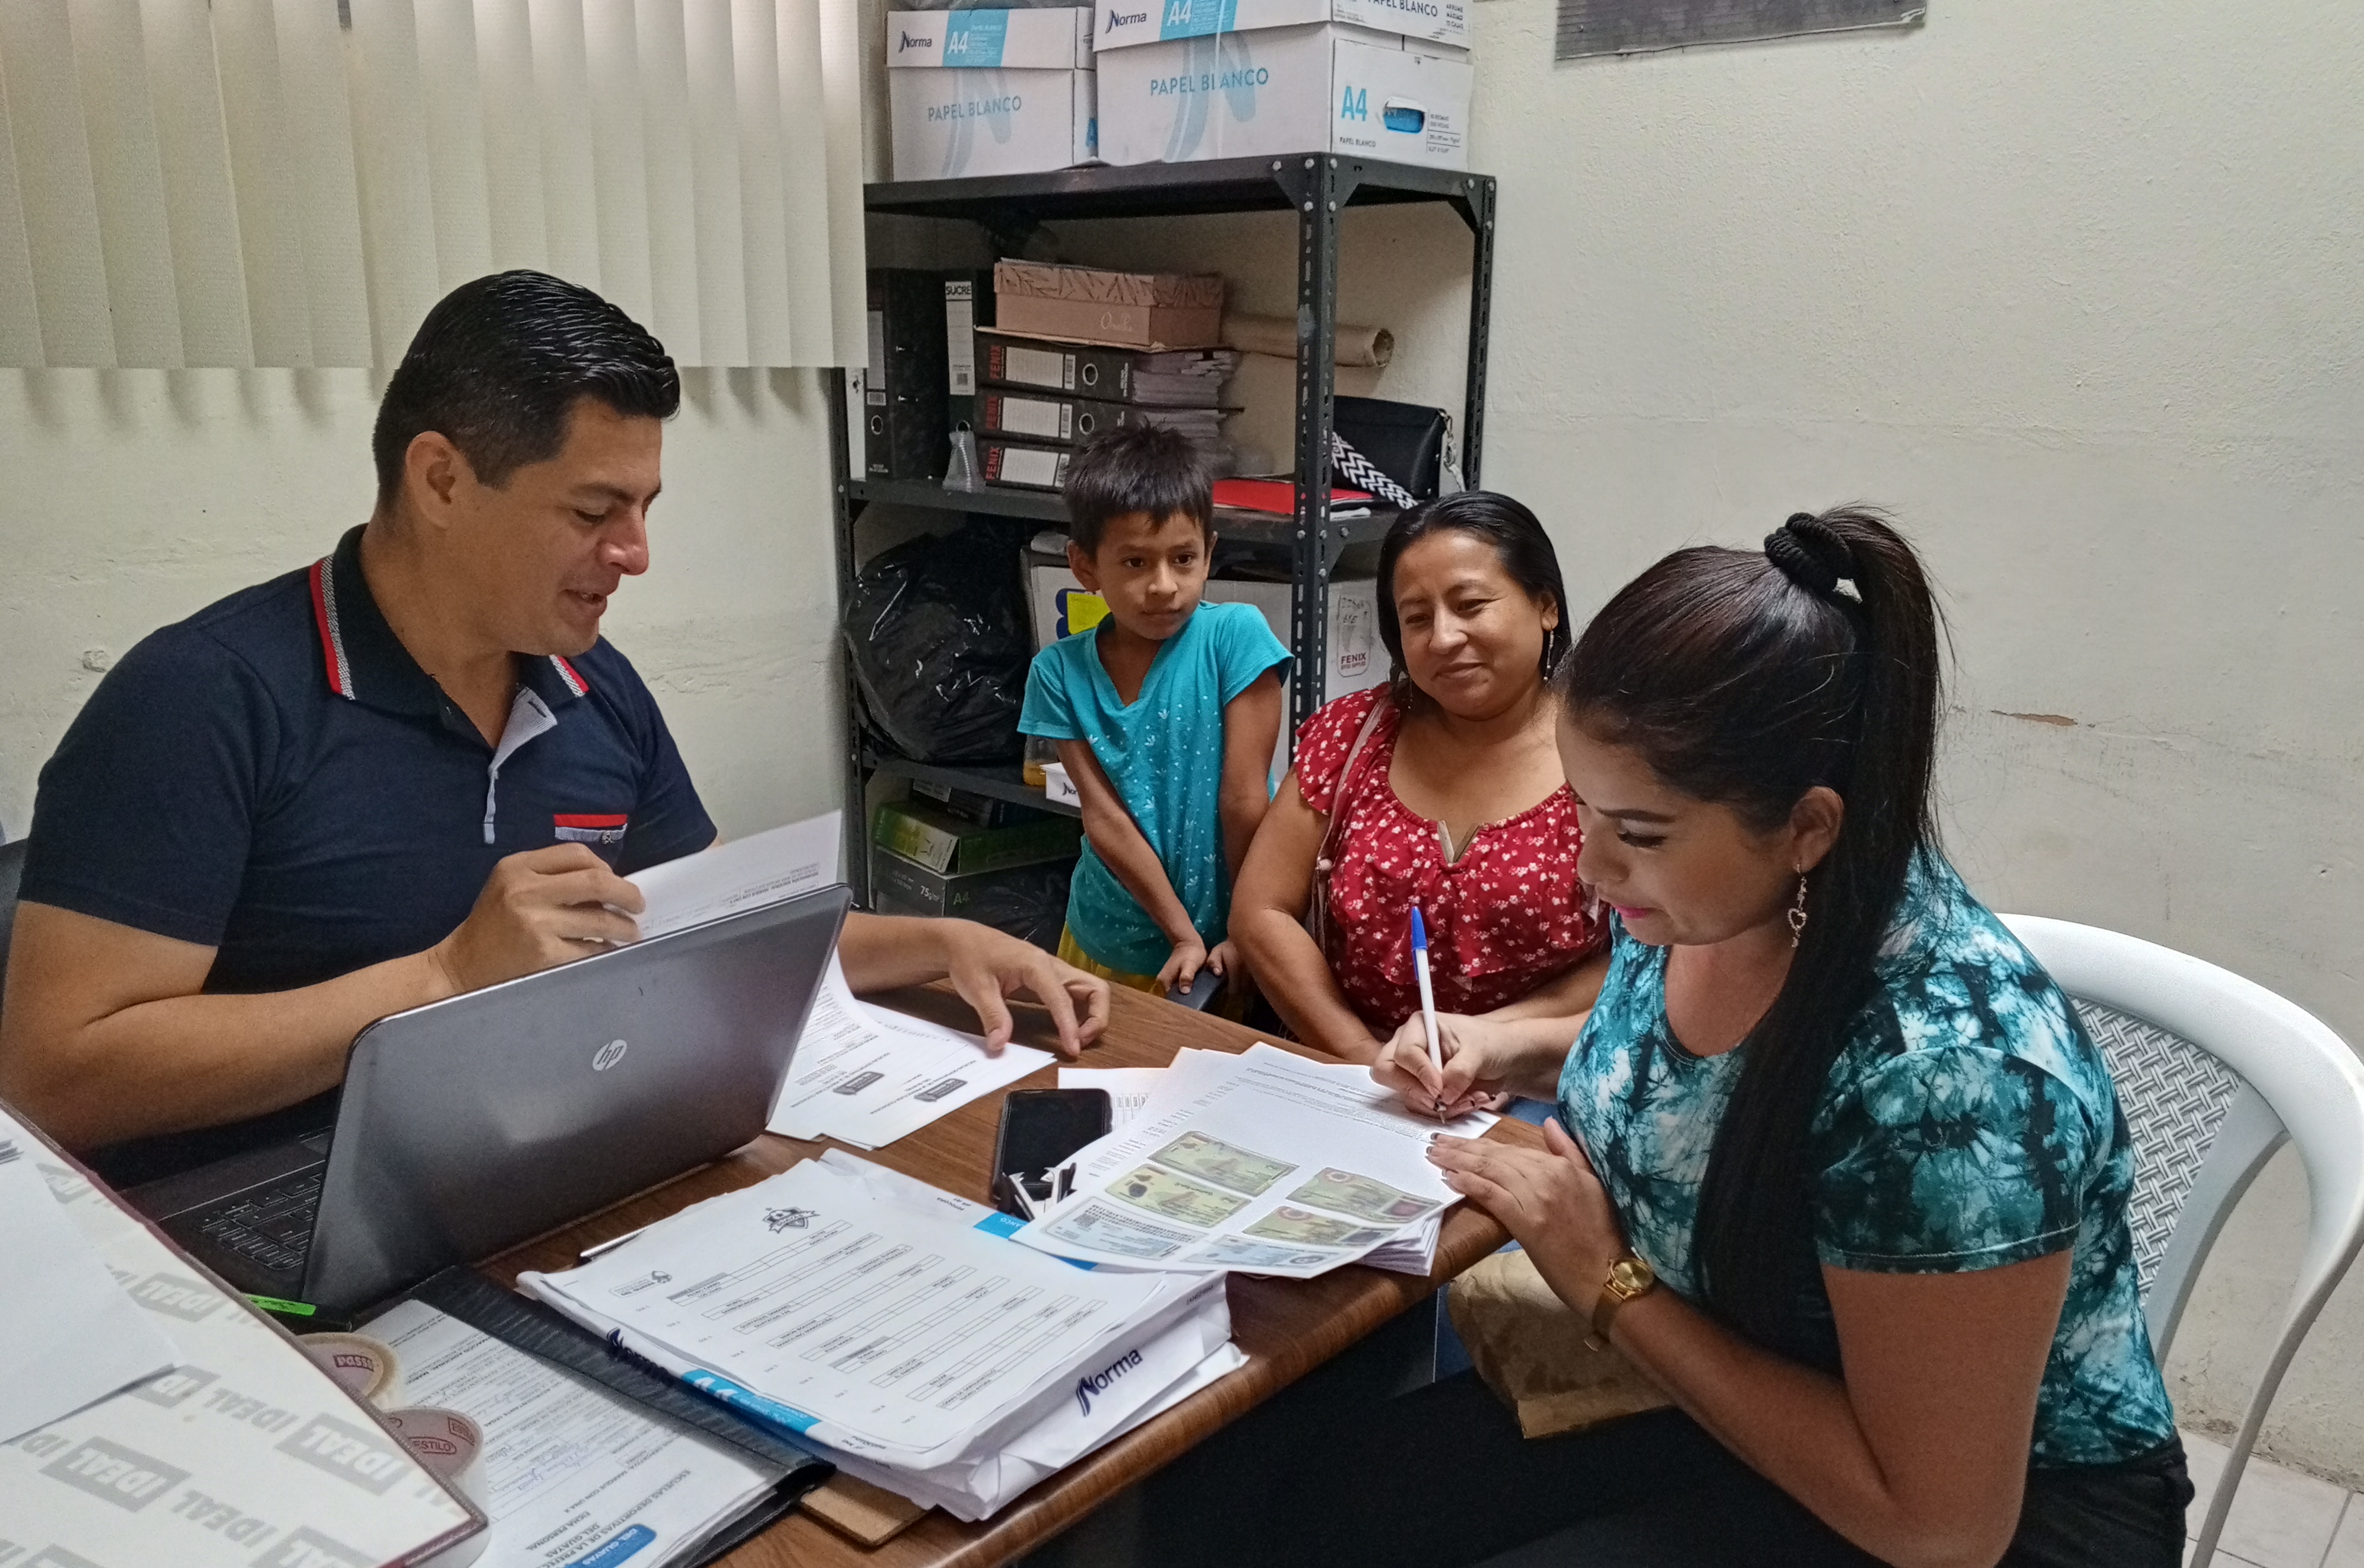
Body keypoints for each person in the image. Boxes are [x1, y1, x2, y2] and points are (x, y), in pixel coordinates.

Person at [1289, 509, 2186, 1568]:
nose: (1592, 869)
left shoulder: (1946, 1083)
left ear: (1806, 827)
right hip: (1748, 1373)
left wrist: (1607, 1281)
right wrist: (1504, 1041)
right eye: (1585, 811)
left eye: (1636, 833)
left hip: (2003, 1555)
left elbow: (1938, 1528)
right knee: (1340, 1507)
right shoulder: (1708, 901)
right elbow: (1685, 1064)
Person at [0, 271, 1107, 1188]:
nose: (634, 554)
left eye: (644, 510)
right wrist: (442, 977)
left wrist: (939, 943)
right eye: (591, 511)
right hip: (259, 1225)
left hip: (529, 1172)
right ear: (441, 480)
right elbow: (56, 1073)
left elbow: (707, 924)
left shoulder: (591, 686)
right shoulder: (203, 699)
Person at [1228, 491, 1610, 1065]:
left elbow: (1641, 951)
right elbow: (1262, 911)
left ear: (1546, 606)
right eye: (1416, 618)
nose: (1443, 638)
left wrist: (1488, 1046)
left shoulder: (1611, 759)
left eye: (1471, 605)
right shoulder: (1353, 736)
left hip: (1536, 1076)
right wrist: (1365, 1057)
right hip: (1355, 1073)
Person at [1019, 426, 1288, 1002]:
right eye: (1135, 562)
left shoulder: (1235, 638)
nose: (1164, 586)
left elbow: (1244, 799)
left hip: (1232, 935)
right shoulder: (1057, 672)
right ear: (1085, 567)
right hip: (1107, 934)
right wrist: (1179, 934)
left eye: (1183, 559)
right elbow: (1105, 819)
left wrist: (1245, 928)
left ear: (1208, 553)